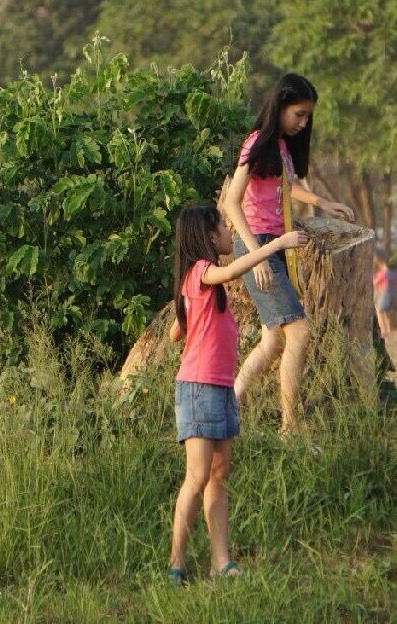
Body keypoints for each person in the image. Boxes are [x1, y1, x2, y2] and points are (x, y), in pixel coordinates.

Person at [166, 203, 308, 585]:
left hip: (220, 388)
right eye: (226, 227)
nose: (231, 233)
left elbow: (176, 332)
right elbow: (231, 269)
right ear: (211, 238)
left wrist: (186, 322)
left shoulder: (203, 285)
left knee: (219, 475)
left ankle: (221, 562)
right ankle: (176, 564)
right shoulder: (201, 272)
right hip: (198, 388)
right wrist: (276, 243)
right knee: (196, 477)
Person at [220, 73, 355, 433]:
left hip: (274, 246)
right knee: (299, 332)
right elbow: (233, 204)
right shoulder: (256, 144)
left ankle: (229, 403)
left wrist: (323, 202)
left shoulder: (280, 148)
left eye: (307, 116)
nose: (303, 122)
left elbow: (286, 189)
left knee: (273, 338)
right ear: (280, 106)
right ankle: (290, 426)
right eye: (298, 114)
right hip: (258, 245)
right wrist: (257, 256)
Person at [373, 255, 394, 338]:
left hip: (383, 293)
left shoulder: (383, 273)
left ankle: (384, 331)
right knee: (382, 312)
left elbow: (375, 282)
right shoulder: (379, 273)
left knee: (379, 311)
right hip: (381, 293)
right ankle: (386, 330)